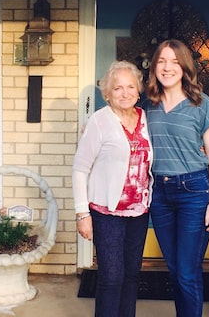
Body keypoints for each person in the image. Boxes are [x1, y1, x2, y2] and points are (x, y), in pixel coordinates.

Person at [143, 39, 209, 317]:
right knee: (176, 270)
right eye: (162, 61)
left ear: (185, 67)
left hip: (194, 192)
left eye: (175, 62)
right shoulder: (148, 105)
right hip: (160, 195)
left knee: (187, 272)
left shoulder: (202, 104)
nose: (167, 68)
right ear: (154, 67)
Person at [73, 60, 154, 317]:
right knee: (111, 276)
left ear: (139, 90)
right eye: (118, 88)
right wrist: (82, 214)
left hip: (139, 213)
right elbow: (80, 169)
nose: (125, 93)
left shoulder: (145, 119)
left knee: (131, 275)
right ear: (108, 92)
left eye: (130, 87)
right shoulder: (99, 121)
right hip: (106, 213)